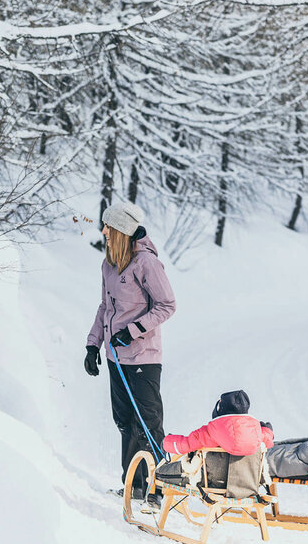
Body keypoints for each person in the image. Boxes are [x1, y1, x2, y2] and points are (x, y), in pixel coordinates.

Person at [85, 201, 176, 497]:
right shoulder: (109, 264)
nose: (103, 232)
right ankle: (133, 486)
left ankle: (156, 488)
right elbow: (105, 307)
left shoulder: (147, 263)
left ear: (121, 230)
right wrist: (92, 345)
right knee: (124, 423)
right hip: (116, 357)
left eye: (108, 227)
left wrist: (133, 330)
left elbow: (167, 305)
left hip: (142, 358)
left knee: (147, 424)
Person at [162, 390, 275, 457]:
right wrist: (267, 430)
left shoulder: (212, 430)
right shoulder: (255, 431)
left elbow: (186, 444)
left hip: (217, 481)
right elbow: (267, 438)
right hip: (249, 480)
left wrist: (166, 442)